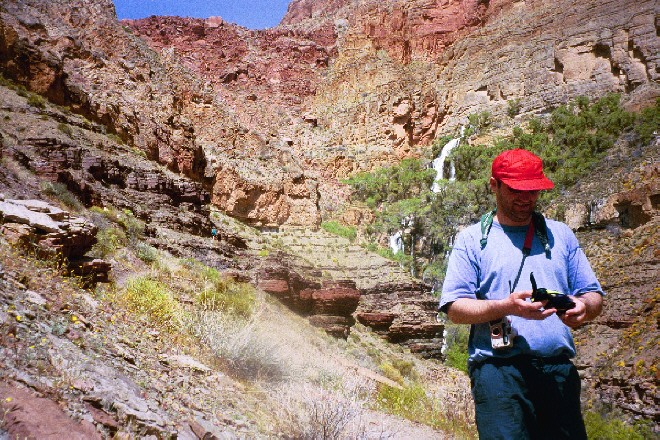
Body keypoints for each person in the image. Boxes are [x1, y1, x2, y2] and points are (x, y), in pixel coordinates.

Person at [439, 149, 604, 440]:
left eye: (533, 191)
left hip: (558, 372)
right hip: (498, 373)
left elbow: (592, 295)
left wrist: (583, 306)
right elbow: (455, 309)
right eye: (516, 189)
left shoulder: (561, 235)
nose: (525, 198)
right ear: (494, 185)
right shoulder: (471, 241)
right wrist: (507, 306)